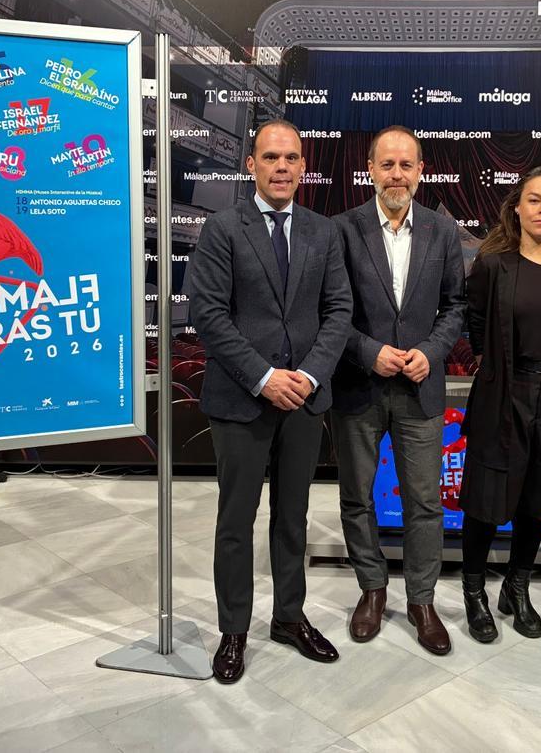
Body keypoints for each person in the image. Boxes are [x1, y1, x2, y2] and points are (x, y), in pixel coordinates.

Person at [184, 119, 352, 684]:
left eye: (292, 158)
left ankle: (289, 617)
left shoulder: (323, 233)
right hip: (242, 399)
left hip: (304, 400)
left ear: (304, 166)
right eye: (271, 157)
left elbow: (338, 313)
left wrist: (305, 376)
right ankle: (234, 629)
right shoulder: (222, 229)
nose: (283, 167)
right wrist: (262, 376)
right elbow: (207, 314)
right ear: (250, 165)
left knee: (293, 516)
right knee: (236, 521)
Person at [331, 126, 466, 655]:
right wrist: (369, 352)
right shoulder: (342, 230)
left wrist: (429, 353)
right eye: (387, 165)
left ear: (420, 170)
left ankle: (421, 598)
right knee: (356, 497)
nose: (397, 174)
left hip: (419, 389)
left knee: (424, 501)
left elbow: (455, 307)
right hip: (358, 386)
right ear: (370, 169)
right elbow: (329, 310)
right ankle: (371, 589)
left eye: (406, 165)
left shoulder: (441, 230)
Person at [459, 167, 541, 643]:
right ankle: (473, 590)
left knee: (537, 498)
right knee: (486, 499)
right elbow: (475, 324)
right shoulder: (494, 264)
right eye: (534, 200)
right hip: (506, 393)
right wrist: (494, 368)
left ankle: (517, 587)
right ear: (517, 206)